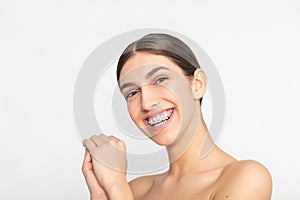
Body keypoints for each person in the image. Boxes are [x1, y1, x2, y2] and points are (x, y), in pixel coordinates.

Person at [82, 33, 272, 200]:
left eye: (160, 79)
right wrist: (101, 195)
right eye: (132, 93)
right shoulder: (137, 190)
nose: (146, 103)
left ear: (197, 84)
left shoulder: (246, 178)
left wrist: (116, 187)